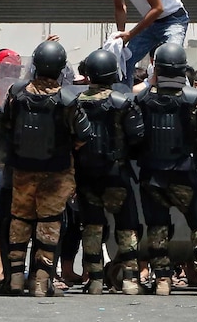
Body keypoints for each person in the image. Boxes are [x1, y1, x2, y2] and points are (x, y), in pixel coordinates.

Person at [0, 40, 91, 296]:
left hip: (21, 170)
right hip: (57, 173)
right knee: (49, 225)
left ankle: (15, 278)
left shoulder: (16, 93)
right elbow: (83, 135)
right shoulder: (68, 99)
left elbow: (4, 127)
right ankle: (41, 281)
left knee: (20, 220)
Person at [133, 42, 197, 297]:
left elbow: (134, 137)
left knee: (157, 228)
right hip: (185, 172)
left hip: (151, 175)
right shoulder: (195, 98)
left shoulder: (141, 98)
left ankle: (163, 280)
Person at [74, 49, 146, 295]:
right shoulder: (123, 102)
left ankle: (94, 279)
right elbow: (137, 136)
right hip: (116, 173)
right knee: (127, 226)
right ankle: (130, 279)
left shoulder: (76, 101)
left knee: (92, 226)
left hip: (85, 175)